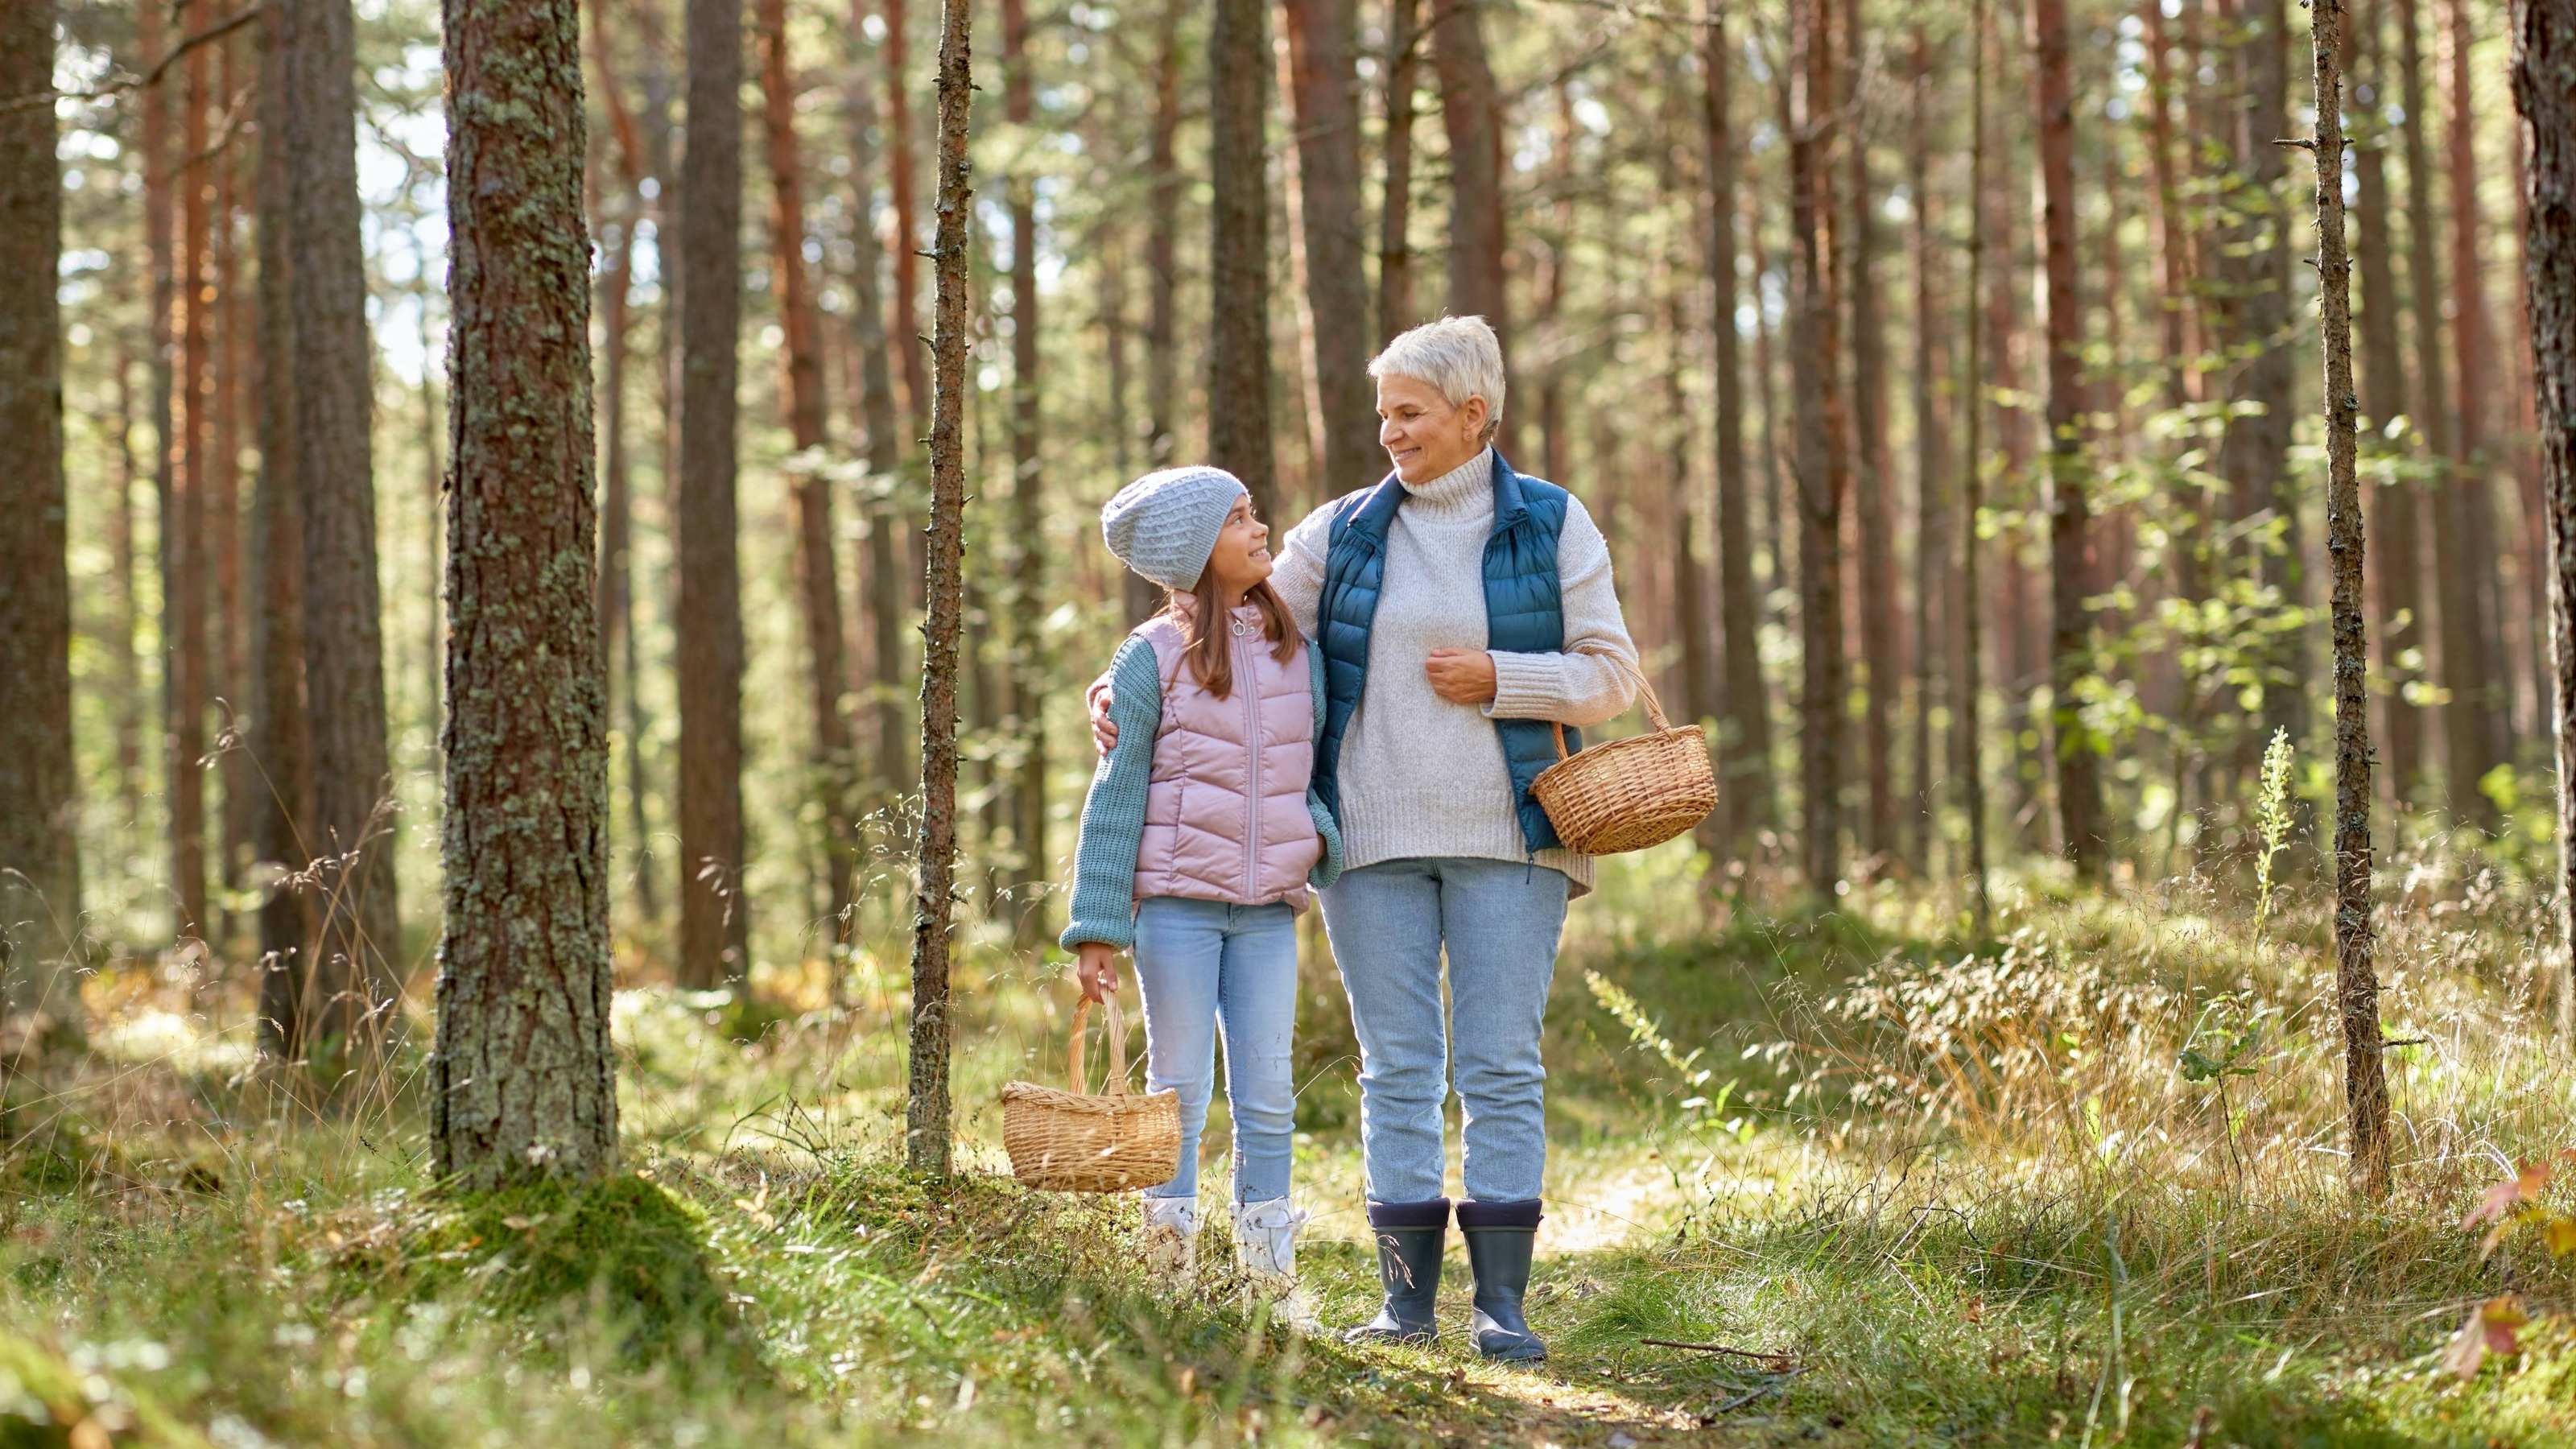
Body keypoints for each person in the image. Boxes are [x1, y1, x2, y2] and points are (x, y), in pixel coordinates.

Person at [1090, 316, 1639, 1361]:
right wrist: (1121, 687)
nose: (1387, 431)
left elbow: (1611, 673)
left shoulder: (1555, 525)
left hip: (1515, 836)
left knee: (1499, 1066)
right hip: (1367, 842)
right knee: (1395, 1067)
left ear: (1474, 415)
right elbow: (1231, 621)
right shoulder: (1340, 531)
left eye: (1409, 413)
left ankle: (1503, 1308)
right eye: (1381, 412)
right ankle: (1404, 1305)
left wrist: (1504, 680)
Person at [1063, 465, 1344, 1319]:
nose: (1259, 530)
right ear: (1194, 552)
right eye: (1238, 519)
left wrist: (1316, 836)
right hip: (1177, 911)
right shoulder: (1148, 658)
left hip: (1265, 913)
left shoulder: (1298, 647)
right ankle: (1167, 1276)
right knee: (1177, 1093)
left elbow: (1315, 761)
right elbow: (1115, 794)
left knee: (1265, 1094)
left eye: (1253, 512)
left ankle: (1267, 1282)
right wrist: (1096, 931)